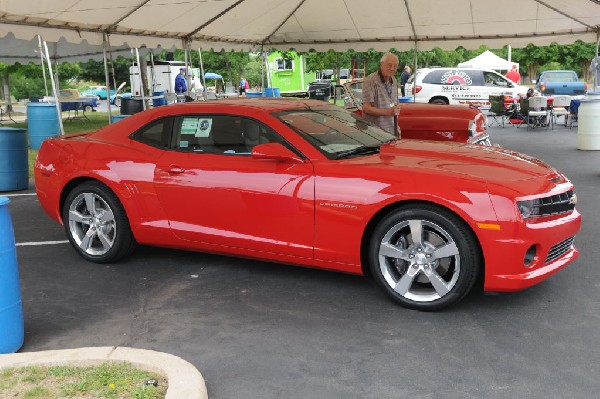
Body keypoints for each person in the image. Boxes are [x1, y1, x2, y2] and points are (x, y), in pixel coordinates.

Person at [362, 52, 400, 136]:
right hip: (376, 134)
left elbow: (394, 107)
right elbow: (366, 108)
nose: (392, 68)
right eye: (389, 65)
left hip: (391, 131)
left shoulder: (394, 80)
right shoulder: (371, 80)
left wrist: (397, 130)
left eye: (395, 66)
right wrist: (388, 112)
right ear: (381, 65)